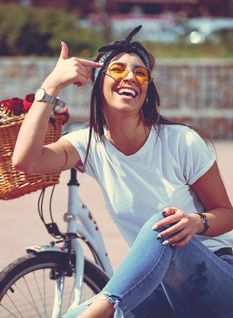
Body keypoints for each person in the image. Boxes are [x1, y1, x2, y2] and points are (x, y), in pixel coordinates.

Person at [13, 25, 233, 318]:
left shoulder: (181, 141)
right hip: (160, 289)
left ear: (147, 88)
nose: (130, 77)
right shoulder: (89, 144)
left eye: (140, 73)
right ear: (99, 82)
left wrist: (195, 222)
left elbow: (225, 212)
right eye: (117, 69)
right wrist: (51, 87)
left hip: (217, 280)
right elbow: (26, 161)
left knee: (163, 224)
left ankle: (101, 311)